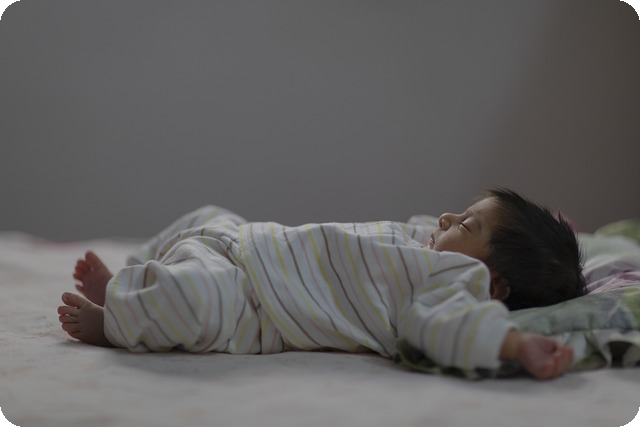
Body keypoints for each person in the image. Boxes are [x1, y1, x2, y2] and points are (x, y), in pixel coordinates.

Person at [58, 188, 585, 380]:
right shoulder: (427, 241)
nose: (447, 218)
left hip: (258, 305)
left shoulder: (453, 285)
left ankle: (117, 318)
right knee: (207, 214)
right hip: (249, 243)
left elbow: (449, 329)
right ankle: (131, 276)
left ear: (494, 287)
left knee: (192, 301)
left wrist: (514, 344)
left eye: (466, 225)